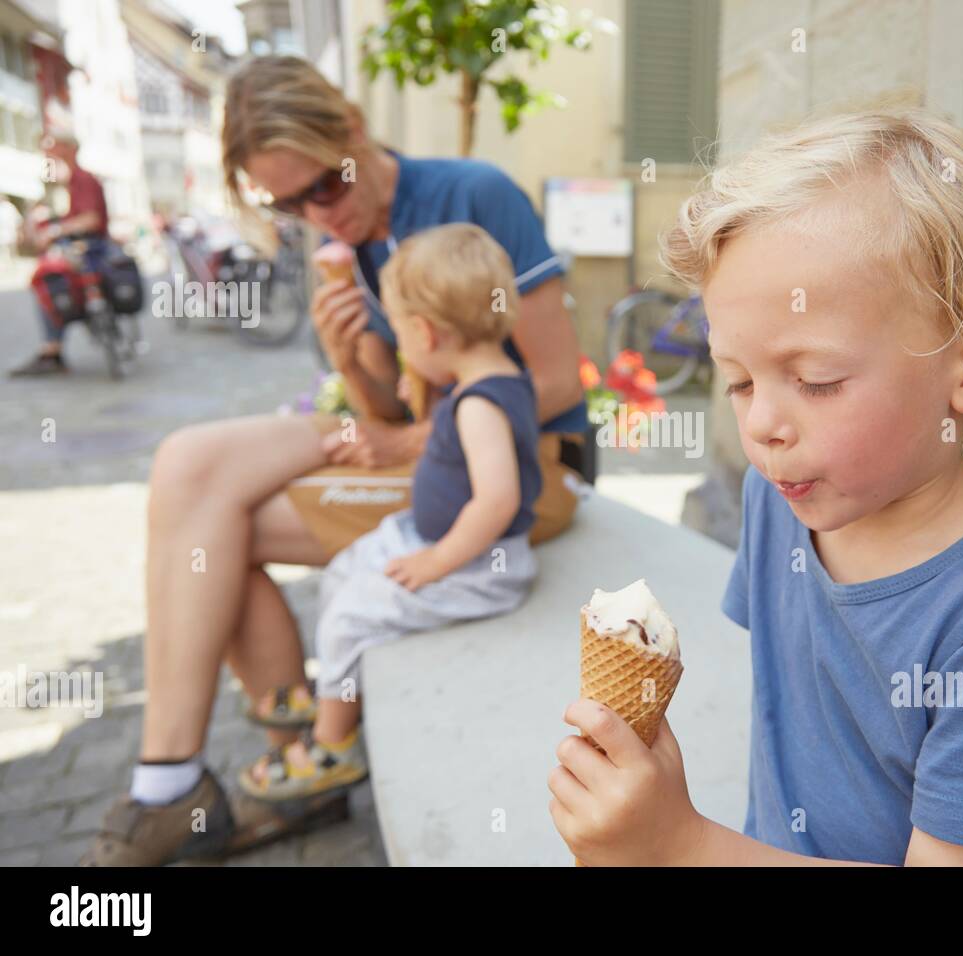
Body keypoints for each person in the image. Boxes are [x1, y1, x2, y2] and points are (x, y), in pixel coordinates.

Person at [550, 106, 963, 866]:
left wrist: (679, 847)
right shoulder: (781, 498)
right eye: (737, 380)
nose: (763, 425)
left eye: (815, 380)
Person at [80, 56, 585, 865]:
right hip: (436, 446)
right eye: (285, 205)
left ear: (352, 130)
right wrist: (349, 359)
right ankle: (184, 773)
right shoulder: (348, 245)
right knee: (188, 464)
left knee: (220, 531)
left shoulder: (470, 196)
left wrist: (398, 442)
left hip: (526, 468)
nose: (318, 216)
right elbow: (392, 410)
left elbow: (554, 383)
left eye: (323, 187)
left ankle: (280, 771)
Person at [239, 223, 542, 800]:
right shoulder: (493, 378)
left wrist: (436, 563)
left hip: (478, 565)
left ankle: (332, 745)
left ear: (425, 332)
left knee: (354, 614)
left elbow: (498, 500)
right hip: (434, 537)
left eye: (402, 335)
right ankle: (335, 682)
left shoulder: (480, 405)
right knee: (346, 567)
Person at [10, 133, 111, 377]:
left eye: (52, 147)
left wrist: (54, 230)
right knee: (48, 277)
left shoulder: (82, 179)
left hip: (90, 250)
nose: (47, 152)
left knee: (46, 278)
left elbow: (91, 219)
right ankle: (53, 348)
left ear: (67, 148)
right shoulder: (71, 181)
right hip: (86, 248)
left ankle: (52, 349)